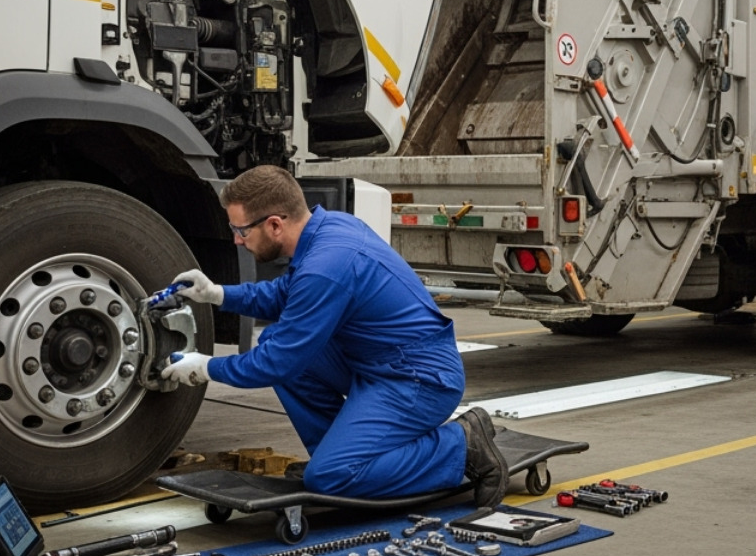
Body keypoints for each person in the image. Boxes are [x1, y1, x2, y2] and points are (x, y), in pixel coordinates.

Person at [160, 165, 509, 506]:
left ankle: (461, 444)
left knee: (329, 475)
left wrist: (205, 368)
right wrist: (217, 294)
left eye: (241, 231)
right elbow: (286, 295)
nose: (237, 240)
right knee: (275, 342)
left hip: (418, 379)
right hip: (377, 363)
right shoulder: (327, 228)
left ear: (275, 225)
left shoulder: (327, 266)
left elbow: (276, 364)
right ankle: (339, 452)